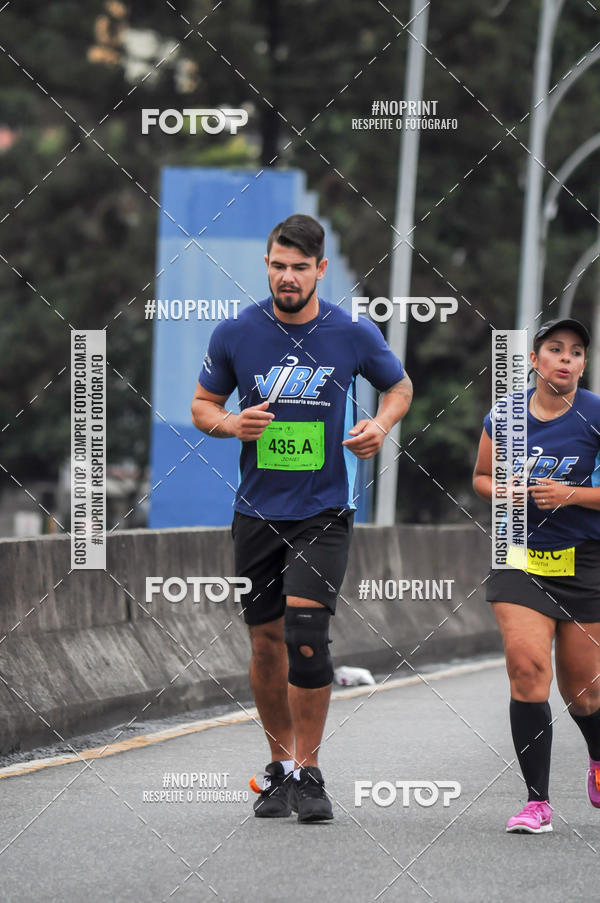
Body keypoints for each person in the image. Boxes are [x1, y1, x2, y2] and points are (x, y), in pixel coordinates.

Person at [191, 214, 412, 822]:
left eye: (299, 268)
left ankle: (311, 772)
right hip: (256, 511)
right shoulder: (236, 332)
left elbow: (399, 387)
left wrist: (379, 425)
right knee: (266, 645)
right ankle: (280, 769)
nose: (287, 278)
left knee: (306, 638)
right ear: (267, 266)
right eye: (277, 266)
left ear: (320, 270)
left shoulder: (350, 333)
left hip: (322, 512)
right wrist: (232, 423)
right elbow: (202, 405)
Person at [473, 318, 600, 834]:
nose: (566, 359)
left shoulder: (596, 415)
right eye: (555, 349)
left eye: (576, 352)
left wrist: (568, 494)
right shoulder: (504, 416)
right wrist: (505, 491)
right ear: (534, 359)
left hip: (586, 559)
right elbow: (482, 478)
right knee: (527, 669)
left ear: (583, 365)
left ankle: (597, 757)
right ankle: (536, 802)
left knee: (584, 693)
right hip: (520, 554)